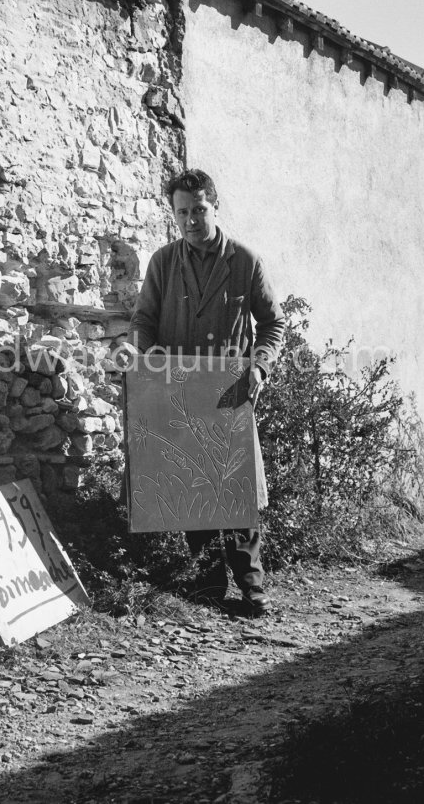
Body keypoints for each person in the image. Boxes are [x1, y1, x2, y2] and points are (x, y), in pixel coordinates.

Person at [121, 169, 285, 613]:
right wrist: (151, 359)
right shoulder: (162, 262)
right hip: (181, 391)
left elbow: (273, 324)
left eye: (199, 210)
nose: (191, 220)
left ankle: (252, 587)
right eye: (182, 212)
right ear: (173, 214)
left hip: (230, 390)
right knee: (192, 484)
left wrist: (259, 368)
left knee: (238, 489)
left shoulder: (245, 261)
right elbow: (143, 321)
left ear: (214, 206)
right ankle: (208, 586)